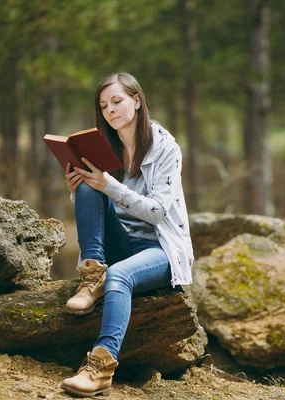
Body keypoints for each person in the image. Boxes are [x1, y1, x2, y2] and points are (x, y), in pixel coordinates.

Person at [60, 72, 194, 397]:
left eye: (117, 101)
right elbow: (103, 204)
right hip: (123, 242)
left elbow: (157, 212)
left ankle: (100, 368)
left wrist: (109, 185)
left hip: (160, 249)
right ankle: (92, 276)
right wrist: (78, 190)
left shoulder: (165, 148)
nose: (110, 110)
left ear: (136, 101)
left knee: (119, 274)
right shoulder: (107, 147)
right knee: (90, 185)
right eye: (104, 105)